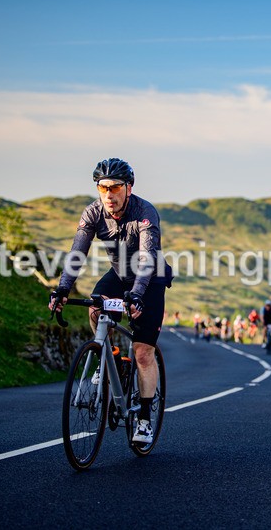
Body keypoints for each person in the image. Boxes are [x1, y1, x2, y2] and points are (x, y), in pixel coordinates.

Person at [49, 158, 172, 444]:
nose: (108, 195)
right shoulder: (93, 212)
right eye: (102, 188)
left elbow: (146, 259)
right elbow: (77, 252)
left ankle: (143, 418)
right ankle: (110, 357)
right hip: (118, 275)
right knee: (95, 306)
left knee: (142, 352)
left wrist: (138, 295)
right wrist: (62, 289)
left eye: (115, 187)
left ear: (128, 187)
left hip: (150, 279)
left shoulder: (145, 213)